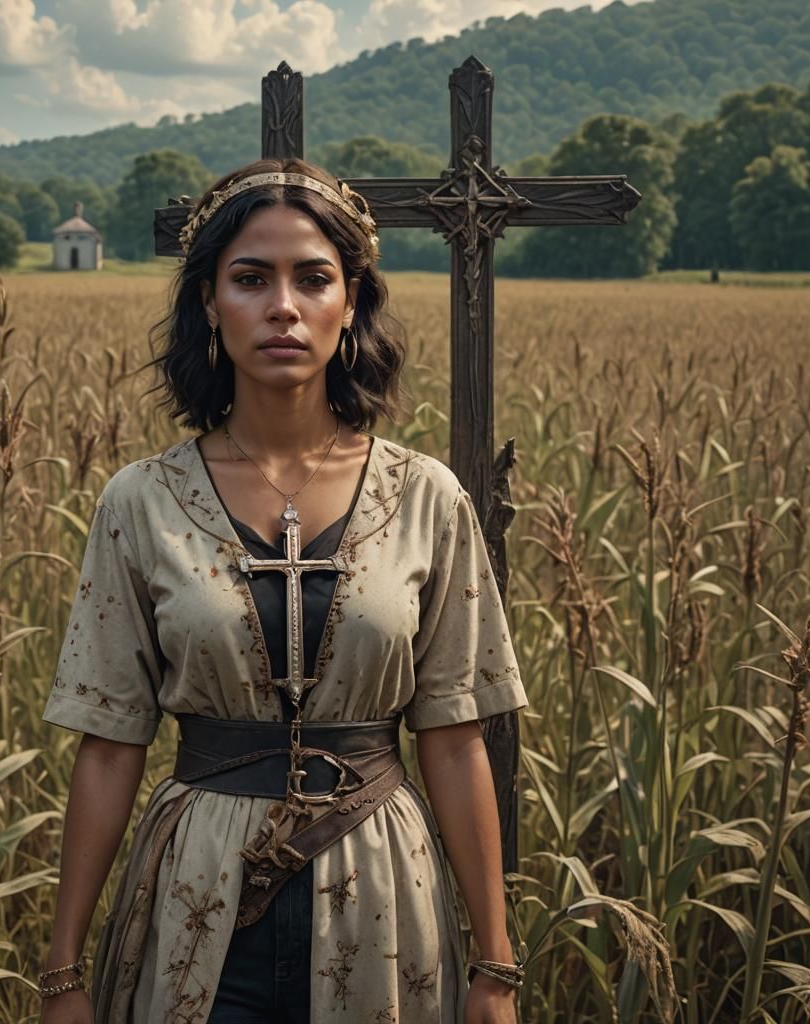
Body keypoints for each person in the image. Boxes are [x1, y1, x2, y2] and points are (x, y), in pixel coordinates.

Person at [38, 158, 530, 1024]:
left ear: (351, 302)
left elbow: (455, 737)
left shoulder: (426, 497)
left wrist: (495, 966)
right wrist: (64, 973)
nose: (283, 308)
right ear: (208, 303)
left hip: (381, 890)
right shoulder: (142, 501)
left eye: (313, 278)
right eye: (250, 279)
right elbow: (112, 743)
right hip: (194, 889)